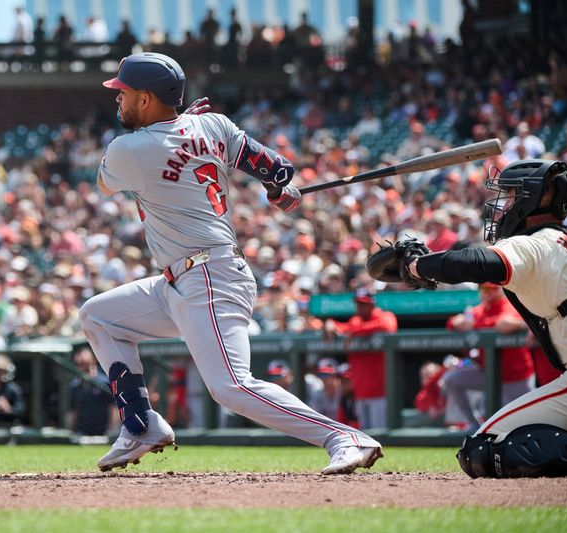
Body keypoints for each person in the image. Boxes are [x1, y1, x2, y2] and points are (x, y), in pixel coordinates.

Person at [81, 52, 382, 475]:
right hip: (181, 281)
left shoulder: (130, 148)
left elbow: (103, 180)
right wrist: (278, 191)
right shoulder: (214, 124)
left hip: (208, 276)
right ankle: (141, 425)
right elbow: (276, 168)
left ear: (146, 99)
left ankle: (344, 436)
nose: (119, 102)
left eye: (125, 94)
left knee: (231, 387)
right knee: (99, 315)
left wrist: (183, 137)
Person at [385, 159, 567, 477]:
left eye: (513, 194)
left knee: (483, 448)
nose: (505, 205)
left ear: (536, 197)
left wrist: (416, 264)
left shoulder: (534, 243)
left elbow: (475, 262)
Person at [442, 283, 535, 432]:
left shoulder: (509, 304)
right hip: (488, 373)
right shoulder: (479, 309)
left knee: (531, 420)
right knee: (452, 380)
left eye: (493, 288)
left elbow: (502, 324)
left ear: (501, 290)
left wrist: (475, 324)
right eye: (484, 288)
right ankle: (474, 424)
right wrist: (457, 321)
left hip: (516, 377)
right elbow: (452, 324)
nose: (488, 292)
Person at [324, 288, 398, 430]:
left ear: (372, 304)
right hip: (360, 392)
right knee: (365, 438)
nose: (360, 307)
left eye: (363, 304)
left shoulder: (384, 316)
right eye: (358, 303)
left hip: (380, 392)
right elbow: (340, 327)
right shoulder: (355, 321)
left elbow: (389, 326)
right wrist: (330, 323)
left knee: (381, 436)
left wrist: (355, 331)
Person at [68, 348, 117, 436]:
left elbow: (113, 407)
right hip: (81, 432)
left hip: (102, 432)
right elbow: (73, 411)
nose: (79, 360)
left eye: (82, 357)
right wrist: (71, 430)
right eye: (77, 357)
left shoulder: (105, 382)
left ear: (94, 359)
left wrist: (111, 428)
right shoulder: (75, 385)